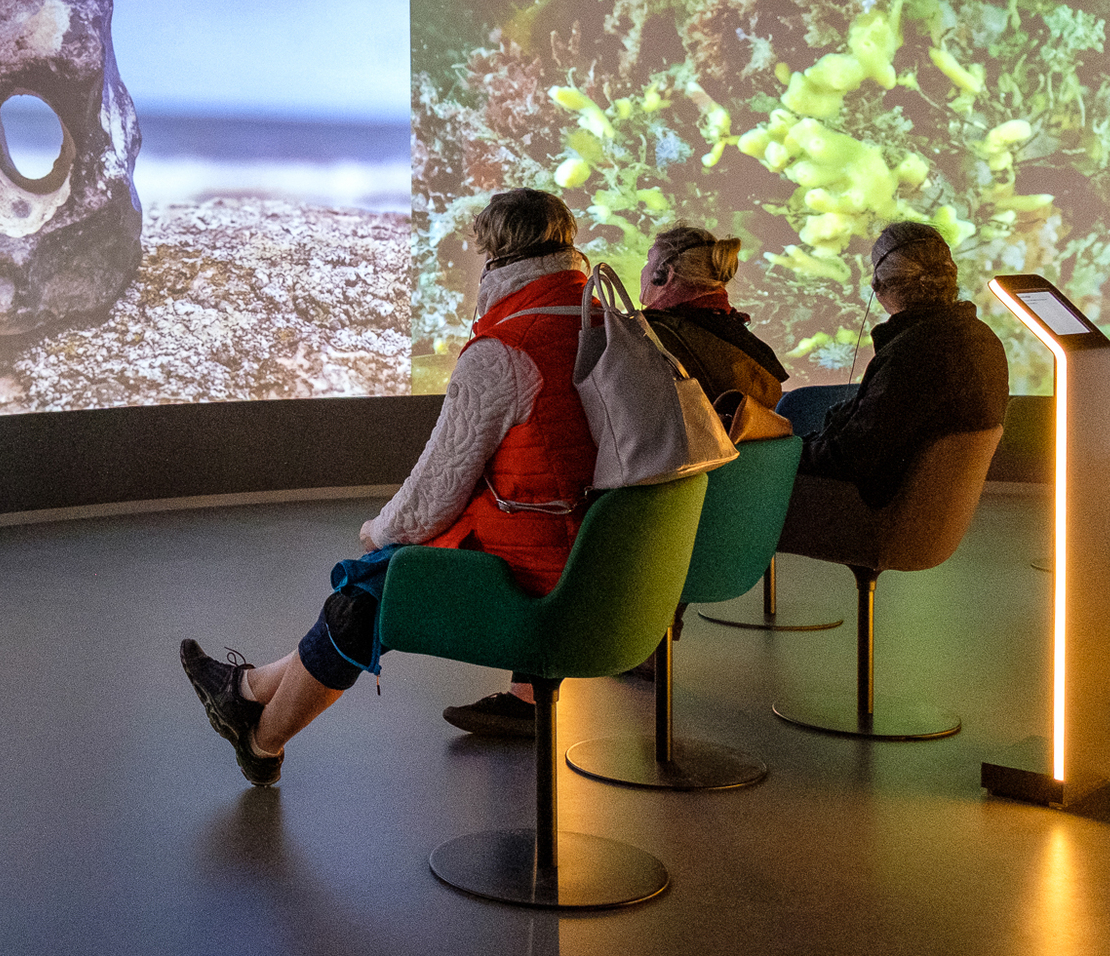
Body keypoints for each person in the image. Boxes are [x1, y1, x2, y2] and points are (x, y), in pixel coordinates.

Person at [178, 189, 599, 785]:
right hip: (602, 563)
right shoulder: (607, 324)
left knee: (366, 589)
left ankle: (260, 740)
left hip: (543, 572)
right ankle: (243, 690)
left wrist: (378, 532)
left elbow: (435, 488)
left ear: (493, 252)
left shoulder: (504, 350)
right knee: (377, 582)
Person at [790, 221, 1008, 514]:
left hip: (878, 509)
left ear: (879, 285)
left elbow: (851, 459)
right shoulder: (980, 337)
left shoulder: (914, 353)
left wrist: (783, 452)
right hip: (928, 511)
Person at [638, 225, 788, 410]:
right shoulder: (734, 331)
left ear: (664, 275)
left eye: (648, 261)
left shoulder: (652, 333)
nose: (643, 271)